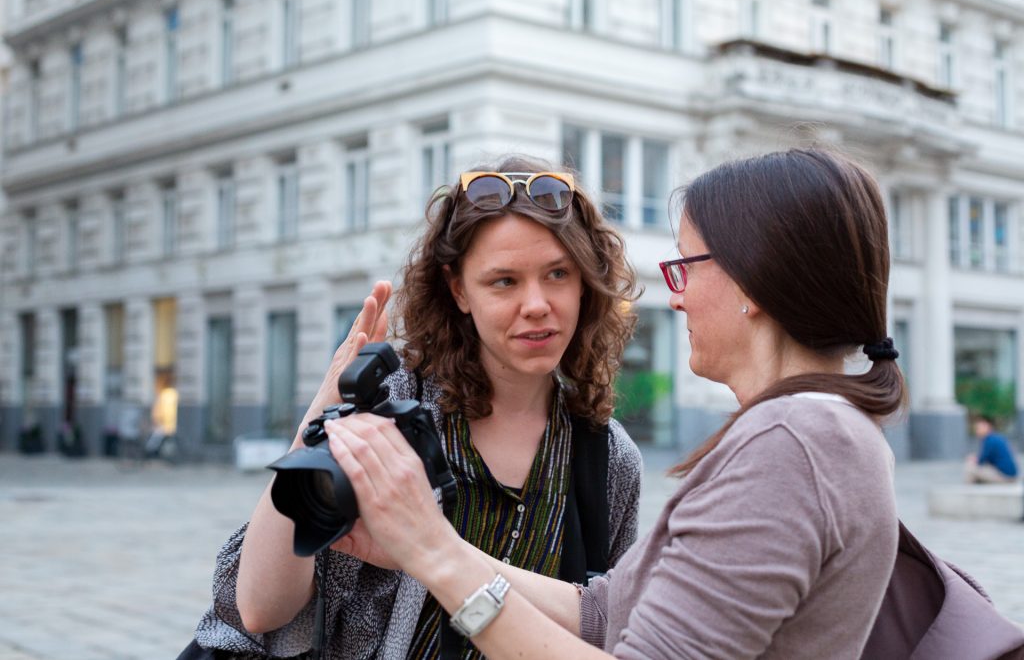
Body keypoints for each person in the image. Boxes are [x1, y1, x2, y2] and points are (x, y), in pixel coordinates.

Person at [324, 148, 906, 659]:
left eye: (684, 267)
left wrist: (435, 558)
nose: (676, 301)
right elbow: (608, 614)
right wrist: (428, 549)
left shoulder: (793, 441)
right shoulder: (828, 430)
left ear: (752, 282)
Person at [191, 155, 643, 658]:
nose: (536, 303)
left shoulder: (609, 458)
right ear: (459, 290)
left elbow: (612, 628)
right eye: (504, 281)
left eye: (558, 273)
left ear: (585, 282)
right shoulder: (392, 412)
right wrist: (326, 408)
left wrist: (430, 549)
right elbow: (259, 608)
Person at [964, 415, 1019, 484]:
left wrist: (972, 458)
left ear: (987, 427)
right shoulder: (996, 437)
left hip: (1006, 477)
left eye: (978, 428)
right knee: (977, 471)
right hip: (1010, 475)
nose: (977, 431)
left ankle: (968, 491)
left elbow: (981, 461)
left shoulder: (989, 440)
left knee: (970, 468)